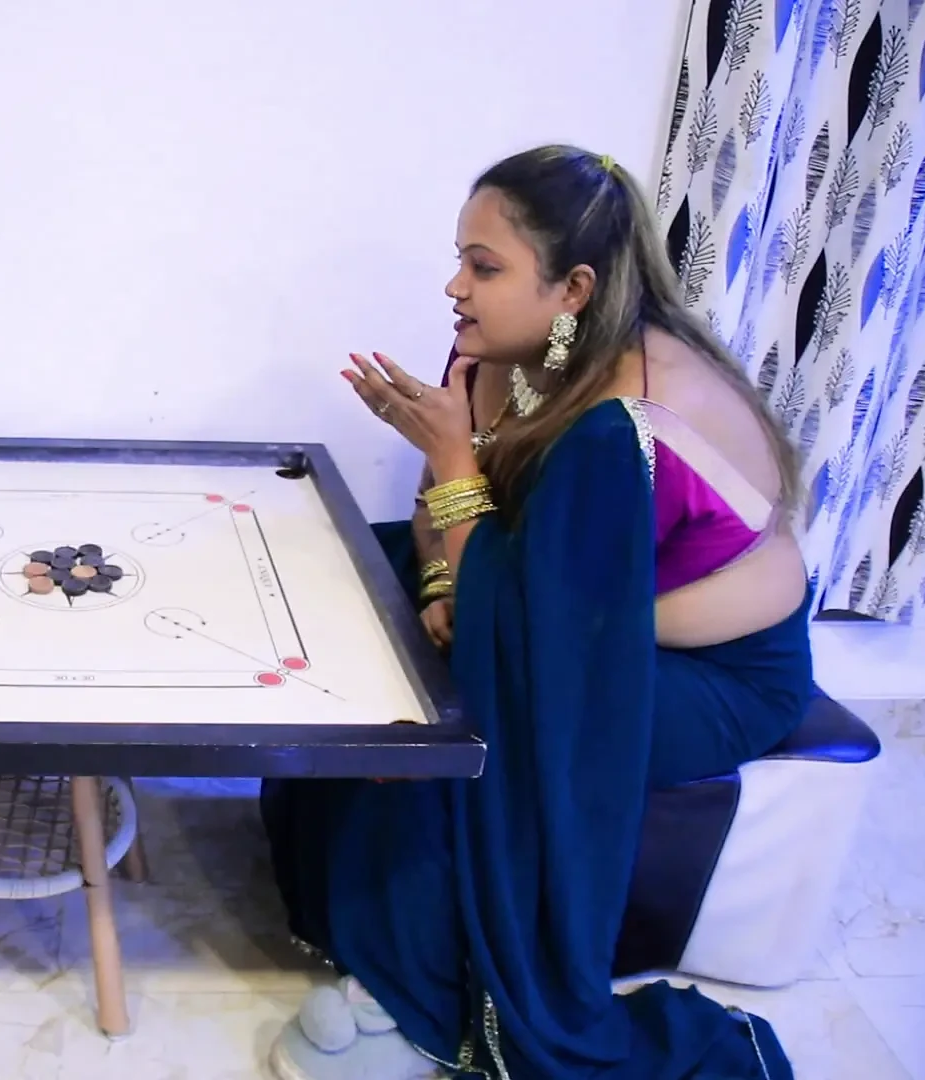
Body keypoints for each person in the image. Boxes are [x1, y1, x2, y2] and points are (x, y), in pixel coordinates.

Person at [260, 144, 815, 1079]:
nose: (455, 287)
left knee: (480, 713)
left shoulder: (625, 425)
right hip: (565, 611)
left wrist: (456, 472)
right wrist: (441, 587)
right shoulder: (499, 353)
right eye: (461, 260)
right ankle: (349, 906)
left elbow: (540, 633)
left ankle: (418, 997)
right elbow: (448, 527)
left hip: (700, 675)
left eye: (484, 268)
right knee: (359, 580)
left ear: (574, 290)